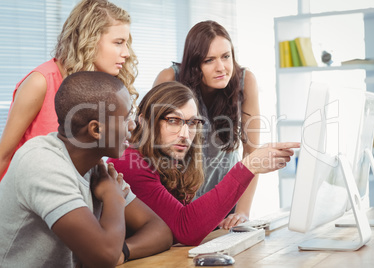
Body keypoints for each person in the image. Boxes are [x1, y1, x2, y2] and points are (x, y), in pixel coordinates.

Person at [0, 72, 172, 267]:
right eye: (125, 118)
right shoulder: (42, 163)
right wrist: (113, 198)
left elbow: (160, 230)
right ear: (96, 130)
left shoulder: (98, 168)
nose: (132, 125)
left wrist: (122, 252)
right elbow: (103, 257)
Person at [108, 81, 299, 245]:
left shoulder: (170, 158)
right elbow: (185, 229)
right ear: (144, 121)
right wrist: (248, 167)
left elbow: (181, 223)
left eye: (192, 123)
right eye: (173, 120)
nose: (185, 134)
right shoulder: (129, 162)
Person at [0, 0, 138, 180]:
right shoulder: (40, 82)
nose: (126, 53)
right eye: (118, 42)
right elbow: (3, 155)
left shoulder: (100, 87)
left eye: (126, 43)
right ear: (89, 40)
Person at [153, 20, 260, 229]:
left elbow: (252, 153)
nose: (221, 68)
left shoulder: (245, 81)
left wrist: (243, 212)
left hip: (226, 199)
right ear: (194, 64)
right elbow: (152, 148)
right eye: (209, 60)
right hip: (179, 201)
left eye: (226, 57)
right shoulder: (170, 77)